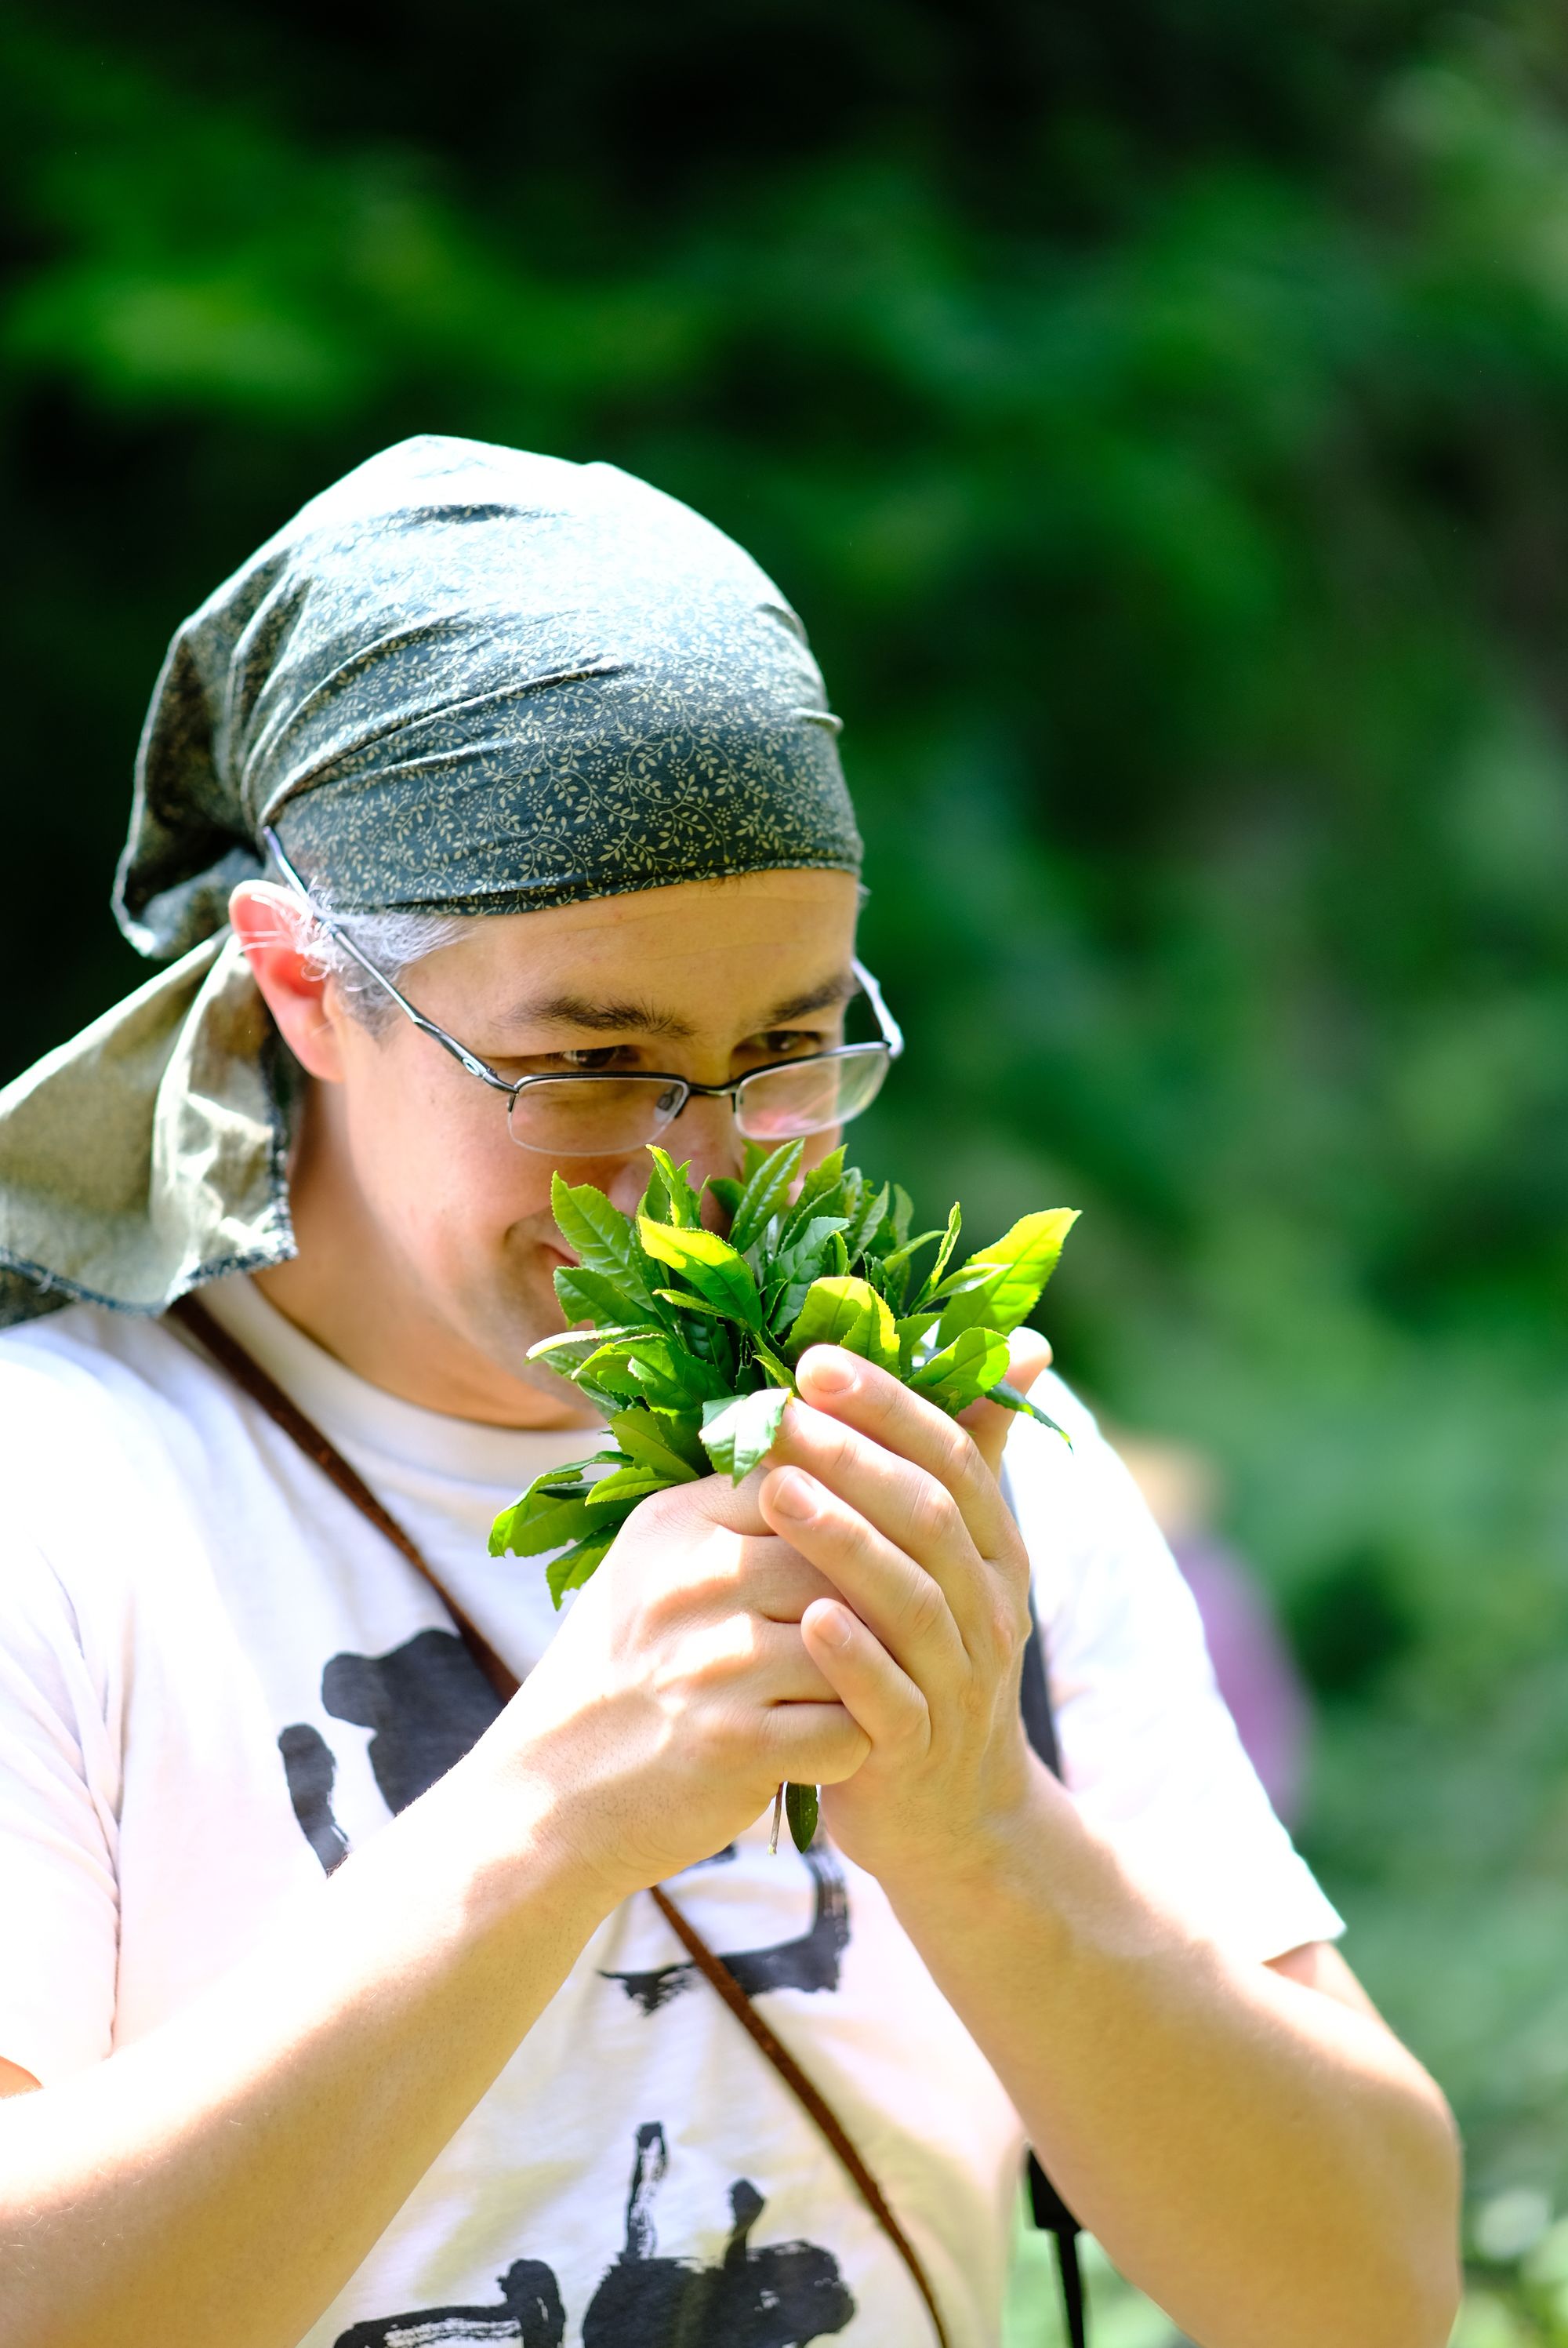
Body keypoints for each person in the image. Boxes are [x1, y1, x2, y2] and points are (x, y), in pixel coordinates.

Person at [0, 437, 1458, 2348]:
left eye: (785, 1050)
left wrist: (970, 1822)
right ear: (299, 986)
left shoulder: (968, 1463)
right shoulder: (66, 1494)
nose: (705, 1167)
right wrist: (557, 1808)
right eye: (594, 1062)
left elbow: (1362, 2296)